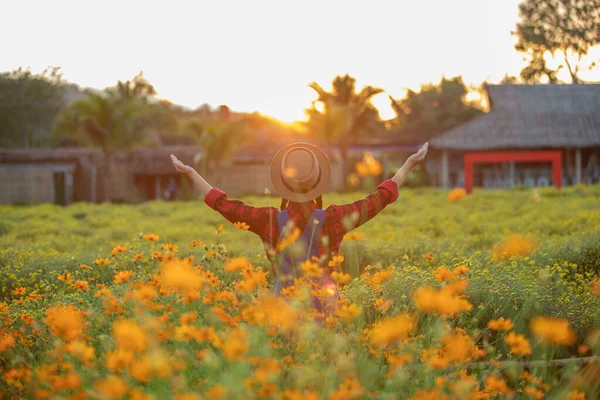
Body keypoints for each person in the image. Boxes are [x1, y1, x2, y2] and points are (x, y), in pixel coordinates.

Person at [170, 142, 428, 318]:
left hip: (283, 313)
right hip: (327, 310)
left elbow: (225, 206)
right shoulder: (335, 218)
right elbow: (379, 199)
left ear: (282, 183)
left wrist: (192, 174)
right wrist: (407, 165)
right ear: (318, 182)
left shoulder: (268, 220)